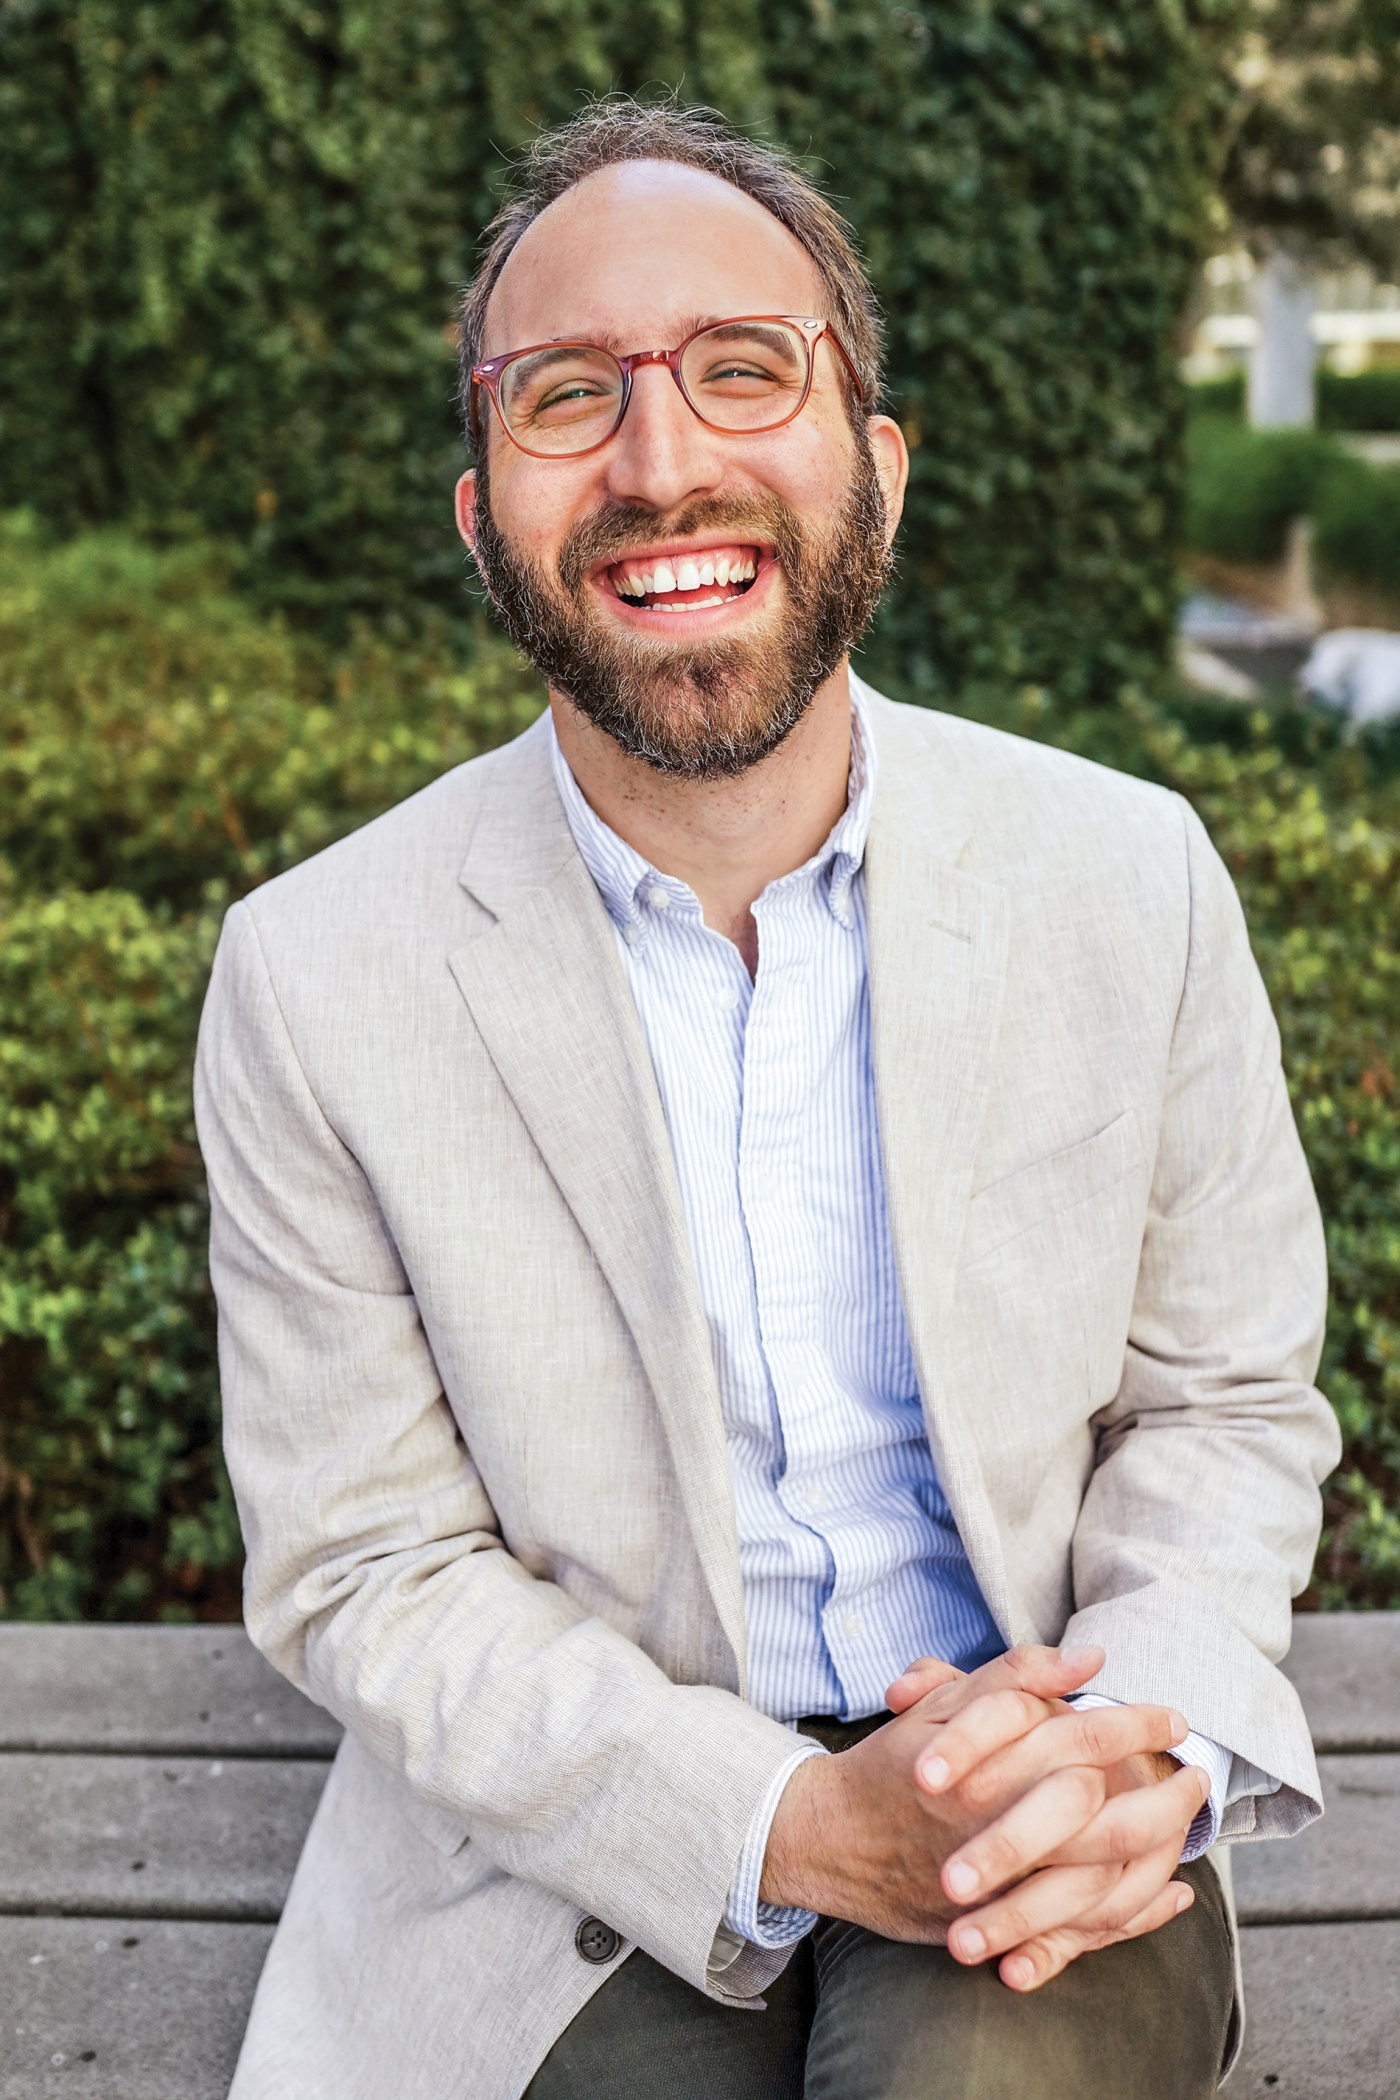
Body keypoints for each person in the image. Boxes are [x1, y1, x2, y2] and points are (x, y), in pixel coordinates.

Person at [195, 98, 1339, 2100]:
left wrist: (1132, 1737)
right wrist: (796, 1825)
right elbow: (364, 1564)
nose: (660, 462)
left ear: (872, 477)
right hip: (567, 1842)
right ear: (481, 511)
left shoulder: (1126, 876)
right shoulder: (313, 974)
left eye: (745, 369)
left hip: (1038, 1777)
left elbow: (1221, 1409)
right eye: (567, 397)